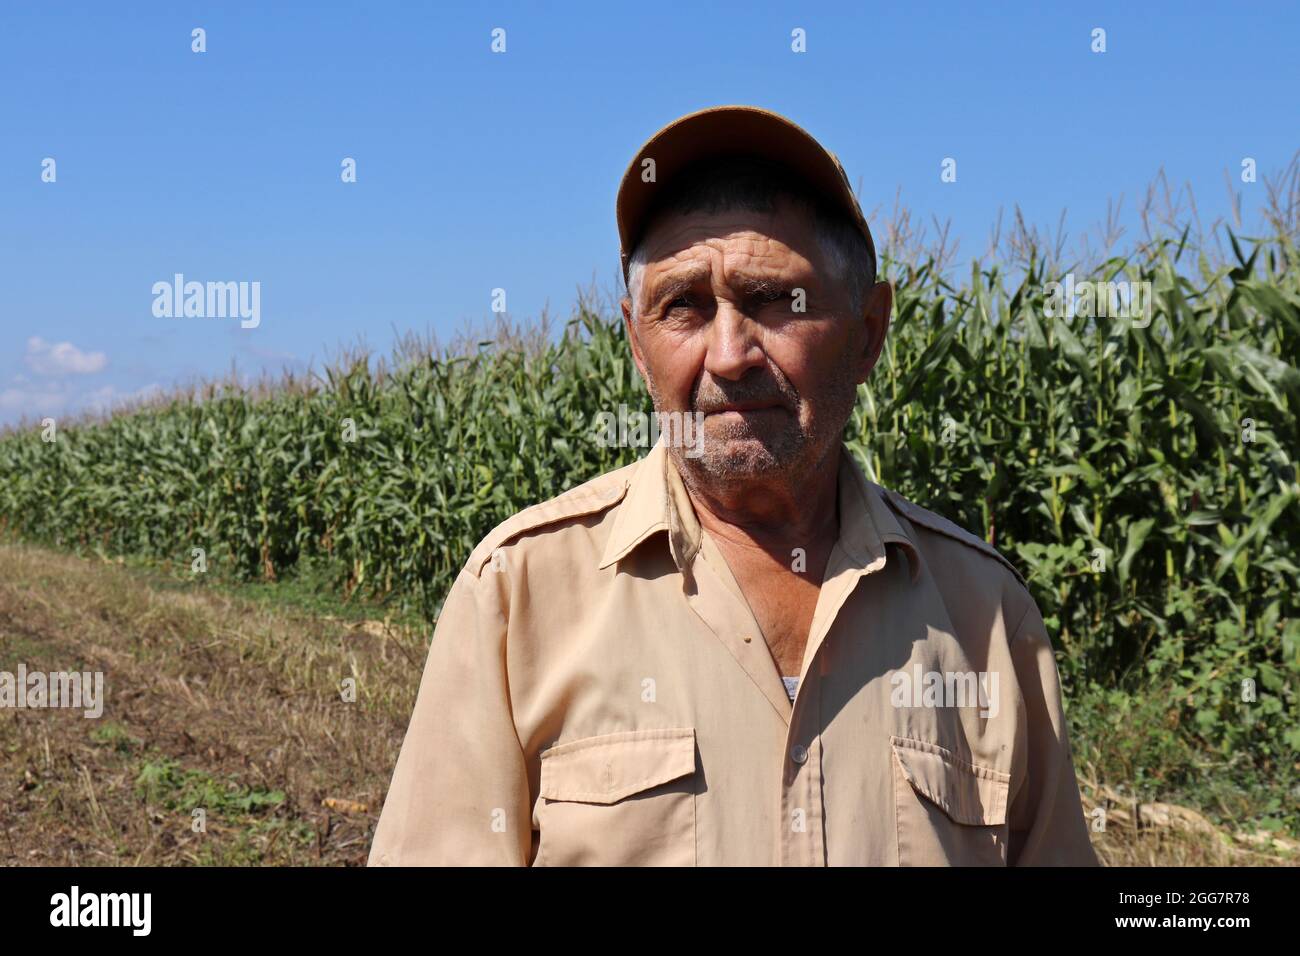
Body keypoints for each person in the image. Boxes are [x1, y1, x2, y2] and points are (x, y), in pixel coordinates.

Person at [368, 104, 1098, 866]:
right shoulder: (516, 595)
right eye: (682, 306)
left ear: (868, 335)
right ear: (636, 346)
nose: (728, 354)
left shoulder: (988, 619)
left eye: (777, 301)